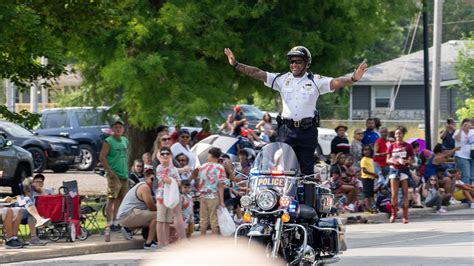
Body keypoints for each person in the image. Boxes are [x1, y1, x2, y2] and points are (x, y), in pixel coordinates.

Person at [224, 46, 368, 206]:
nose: (294, 65)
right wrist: (236, 64)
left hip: (307, 130)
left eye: (299, 62)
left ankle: (308, 207)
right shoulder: (282, 79)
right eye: (292, 61)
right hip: (286, 130)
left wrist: (354, 78)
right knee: (283, 168)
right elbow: (258, 73)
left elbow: (336, 82)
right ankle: (279, 204)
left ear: (306, 64)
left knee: (307, 169)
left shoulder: (315, 80)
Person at [99, 118, 129, 233]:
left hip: (124, 173)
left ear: (123, 129)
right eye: (116, 127)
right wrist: (110, 171)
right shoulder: (109, 141)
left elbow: (125, 156)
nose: (118, 129)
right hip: (114, 174)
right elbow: (102, 157)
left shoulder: (125, 140)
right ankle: (108, 223)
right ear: (112, 129)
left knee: (120, 198)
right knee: (112, 198)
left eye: (120, 127)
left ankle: (116, 222)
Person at [116, 169, 157, 249]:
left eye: (155, 180)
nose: (153, 181)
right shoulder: (144, 187)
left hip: (125, 216)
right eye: (152, 179)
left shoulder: (143, 186)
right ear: (145, 178)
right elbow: (151, 207)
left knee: (151, 221)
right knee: (158, 216)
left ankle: (128, 229)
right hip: (126, 216)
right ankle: (149, 243)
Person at [190, 147, 226, 235]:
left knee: (203, 219)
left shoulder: (202, 167)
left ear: (210, 155)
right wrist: (221, 201)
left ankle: (203, 240)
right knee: (214, 220)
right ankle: (214, 240)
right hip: (213, 196)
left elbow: (194, 177)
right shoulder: (220, 167)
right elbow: (220, 186)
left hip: (202, 196)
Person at [154, 147, 182, 246]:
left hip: (170, 197)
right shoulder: (159, 168)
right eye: (163, 154)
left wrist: (174, 181)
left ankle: (166, 242)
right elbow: (166, 180)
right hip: (161, 197)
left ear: (170, 155)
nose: (165, 155)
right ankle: (160, 242)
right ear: (160, 156)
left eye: (167, 153)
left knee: (167, 221)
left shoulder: (174, 169)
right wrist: (173, 180)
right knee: (160, 220)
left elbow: (179, 181)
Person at [387, 127, 414, 224]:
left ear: (403, 134)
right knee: (394, 194)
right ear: (394, 135)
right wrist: (394, 161)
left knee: (405, 193)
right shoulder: (391, 146)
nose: (398, 135)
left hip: (404, 170)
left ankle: (405, 216)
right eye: (396, 134)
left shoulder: (408, 146)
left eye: (400, 133)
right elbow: (387, 159)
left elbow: (413, 160)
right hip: (394, 170)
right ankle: (393, 214)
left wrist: (406, 161)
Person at [453, 119, 473, 185]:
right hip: (461, 156)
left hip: (471, 156)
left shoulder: (472, 131)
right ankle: (465, 194)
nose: (468, 126)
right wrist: (462, 129)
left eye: (469, 124)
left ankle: (470, 193)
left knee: (472, 177)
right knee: (466, 176)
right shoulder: (458, 131)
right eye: (466, 124)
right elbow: (457, 138)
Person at [360, 145, 377, 213]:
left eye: (368, 150)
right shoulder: (363, 159)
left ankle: (371, 206)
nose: (367, 151)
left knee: (371, 194)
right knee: (367, 194)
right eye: (365, 150)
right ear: (363, 151)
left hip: (371, 178)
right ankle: (367, 207)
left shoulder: (371, 159)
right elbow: (364, 170)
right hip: (366, 178)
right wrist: (373, 174)